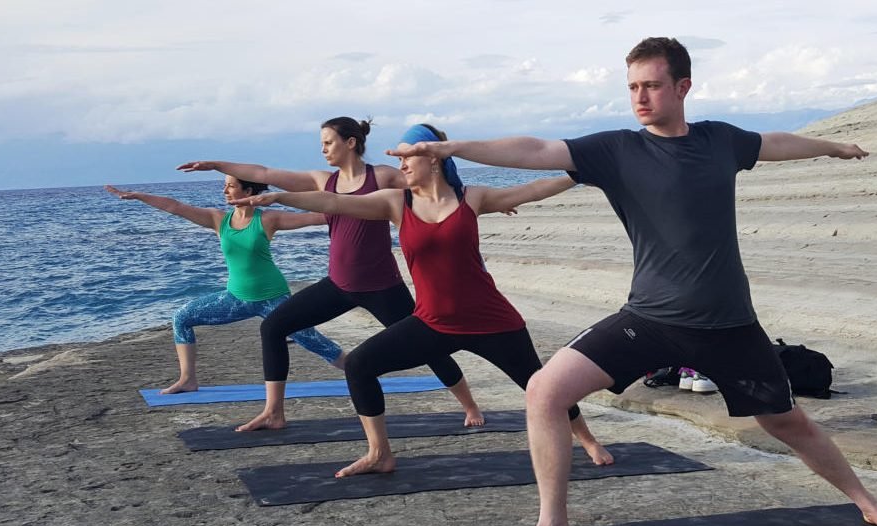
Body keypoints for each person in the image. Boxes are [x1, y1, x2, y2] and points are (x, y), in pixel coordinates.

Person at [389, 37, 877, 526]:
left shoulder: (720, 141)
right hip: (648, 318)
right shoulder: (615, 150)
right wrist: (450, 147)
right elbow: (536, 149)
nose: (640, 97)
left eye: (652, 85)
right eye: (633, 87)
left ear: (683, 86)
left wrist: (833, 146)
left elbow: (775, 142)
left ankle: (867, 501)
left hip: (728, 324)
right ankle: (552, 525)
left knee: (786, 422)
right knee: (545, 392)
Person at [233, 124, 613, 477]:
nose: (401, 166)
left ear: (432, 158)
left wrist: (576, 174)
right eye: (397, 159)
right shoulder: (395, 203)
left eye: (406, 157)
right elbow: (331, 202)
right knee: (360, 366)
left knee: (539, 385)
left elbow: (527, 191)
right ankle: (379, 452)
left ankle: (587, 438)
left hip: (492, 320)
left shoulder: (471, 198)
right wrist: (281, 196)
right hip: (433, 322)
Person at [176, 117, 484, 432]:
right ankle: (274, 412)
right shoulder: (324, 181)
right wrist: (215, 164)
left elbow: (433, 188)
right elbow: (265, 174)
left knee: (427, 346)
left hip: (382, 287)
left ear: (350, 142)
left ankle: (469, 404)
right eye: (321, 144)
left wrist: (478, 205)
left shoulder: (381, 176)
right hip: (338, 284)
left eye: (328, 142)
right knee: (273, 327)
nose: (323, 149)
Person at [104, 177, 345, 394]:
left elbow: (320, 216)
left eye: (230, 186)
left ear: (248, 190)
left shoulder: (269, 219)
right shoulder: (219, 219)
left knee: (318, 344)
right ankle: (188, 380)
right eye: (224, 186)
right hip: (236, 299)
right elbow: (175, 207)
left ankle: (361, 371)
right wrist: (138, 196)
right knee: (182, 318)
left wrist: (360, 204)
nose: (225, 191)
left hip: (274, 299)